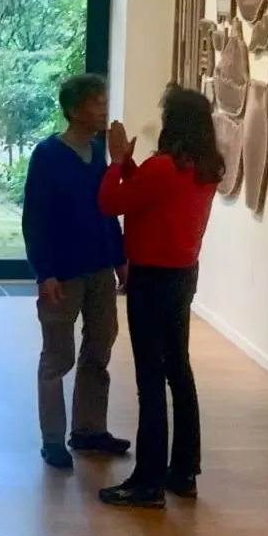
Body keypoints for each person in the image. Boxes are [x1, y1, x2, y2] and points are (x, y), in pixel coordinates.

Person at [96, 85, 226, 508]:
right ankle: (183, 470)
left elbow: (110, 202)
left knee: (149, 378)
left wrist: (115, 163)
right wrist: (130, 164)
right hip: (184, 274)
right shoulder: (204, 168)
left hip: (151, 278)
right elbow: (150, 195)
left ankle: (147, 481)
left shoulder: (165, 166)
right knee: (178, 370)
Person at [22, 74, 129, 470]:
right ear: (73, 110)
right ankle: (53, 439)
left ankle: (88, 430)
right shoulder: (48, 154)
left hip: (99, 267)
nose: (103, 109)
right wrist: (44, 272)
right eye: (96, 103)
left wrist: (120, 257)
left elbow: (108, 209)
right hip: (63, 272)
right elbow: (35, 218)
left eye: (104, 101)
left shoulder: (100, 151)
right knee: (57, 357)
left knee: (99, 348)